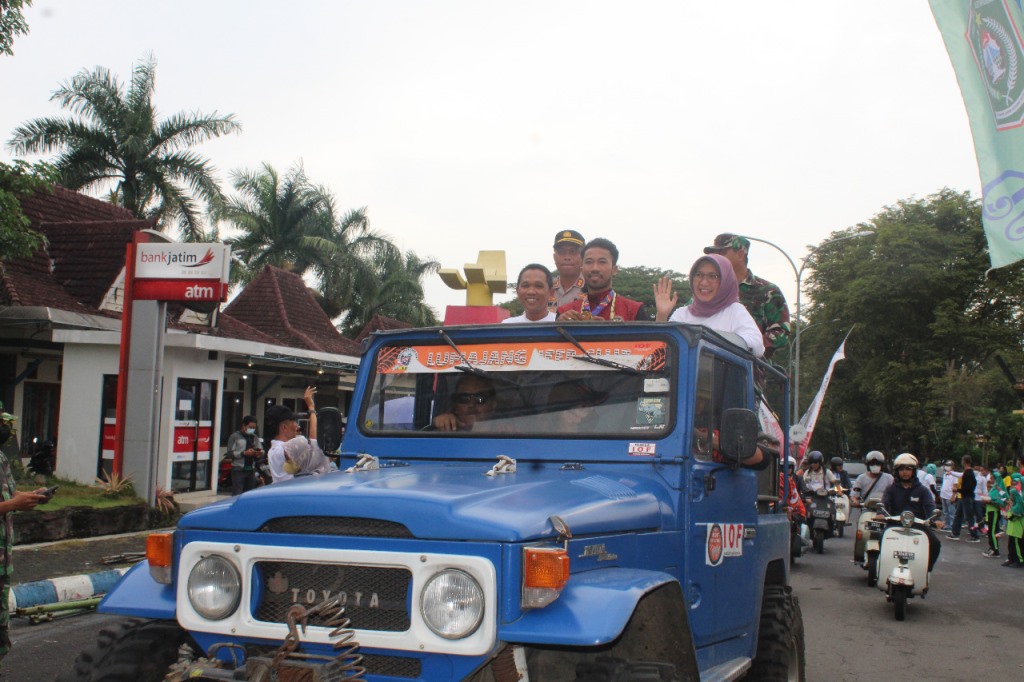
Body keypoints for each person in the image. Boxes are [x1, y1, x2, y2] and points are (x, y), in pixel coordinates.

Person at [652, 254, 765, 357]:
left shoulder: (734, 311)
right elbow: (660, 352)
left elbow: (757, 346)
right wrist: (662, 316)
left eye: (713, 276)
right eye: (699, 275)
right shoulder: (681, 314)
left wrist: (712, 341)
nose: (704, 282)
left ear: (725, 281)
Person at [702, 233, 791, 362]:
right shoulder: (708, 290)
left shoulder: (767, 291)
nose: (715, 258)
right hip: (707, 364)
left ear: (740, 255)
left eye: (722, 253)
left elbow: (781, 332)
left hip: (749, 372)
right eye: (713, 254)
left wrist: (747, 349)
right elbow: (688, 322)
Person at [0, 446, 49, 663]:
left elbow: (8, 492)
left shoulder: (1, 456)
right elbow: (9, 501)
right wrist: (12, 504)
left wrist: (30, 497)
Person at [556, 238, 648, 321]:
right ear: (582, 269)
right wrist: (559, 327)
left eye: (602, 262)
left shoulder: (634, 310)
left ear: (614, 270)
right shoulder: (565, 312)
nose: (595, 268)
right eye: (589, 262)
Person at [879, 453, 943, 571]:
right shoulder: (891, 489)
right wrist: (880, 512)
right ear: (897, 471)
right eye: (902, 469)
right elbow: (884, 503)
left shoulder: (922, 490)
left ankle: (926, 570)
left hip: (918, 525)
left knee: (935, 543)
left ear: (914, 471)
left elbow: (930, 506)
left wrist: (936, 519)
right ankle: (883, 569)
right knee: (881, 539)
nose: (905, 472)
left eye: (908, 469)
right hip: (895, 524)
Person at [265, 386, 317, 483]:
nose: (297, 426)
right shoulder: (282, 449)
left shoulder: (274, 450)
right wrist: (311, 408)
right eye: (294, 422)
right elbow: (313, 443)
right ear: (284, 427)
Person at [432, 375, 497, 432]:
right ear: (455, 406)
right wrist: (441, 424)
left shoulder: (504, 432)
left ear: (493, 404)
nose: (471, 405)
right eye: (464, 399)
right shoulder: (443, 434)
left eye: (480, 398)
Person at [549, 229, 586, 310]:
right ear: (554, 257)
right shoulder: (545, 288)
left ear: (583, 256)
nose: (567, 257)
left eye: (573, 251)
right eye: (561, 252)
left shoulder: (592, 288)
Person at [224, 415, 261, 495]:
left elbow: (260, 449)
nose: (252, 429)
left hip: (251, 469)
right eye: (250, 427)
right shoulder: (234, 437)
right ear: (244, 426)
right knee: (237, 493)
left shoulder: (254, 437)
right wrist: (243, 453)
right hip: (239, 469)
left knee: (248, 494)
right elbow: (230, 453)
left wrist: (259, 453)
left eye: (254, 428)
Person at [948, 454, 981, 542]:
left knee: (969, 517)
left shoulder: (968, 473)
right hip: (965, 497)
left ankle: (975, 535)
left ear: (964, 462)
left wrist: (957, 490)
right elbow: (972, 484)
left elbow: (967, 487)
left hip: (966, 497)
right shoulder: (969, 473)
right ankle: (955, 533)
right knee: (959, 515)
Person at [1003, 473, 1024, 568]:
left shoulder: (1020, 494)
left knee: (1016, 542)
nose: (1013, 483)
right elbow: (1012, 505)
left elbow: (1019, 509)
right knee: (1011, 543)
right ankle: (1011, 558)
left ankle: (1019, 560)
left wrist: (1011, 516)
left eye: (1016, 482)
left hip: (1017, 523)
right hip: (1012, 522)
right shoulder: (1015, 492)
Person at [939, 459, 958, 528]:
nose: (946, 467)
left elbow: (955, 486)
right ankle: (947, 525)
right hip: (943, 495)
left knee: (951, 512)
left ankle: (953, 526)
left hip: (949, 496)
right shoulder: (945, 474)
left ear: (952, 466)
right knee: (945, 512)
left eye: (948, 465)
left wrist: (953, 496)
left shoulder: (954, 475)